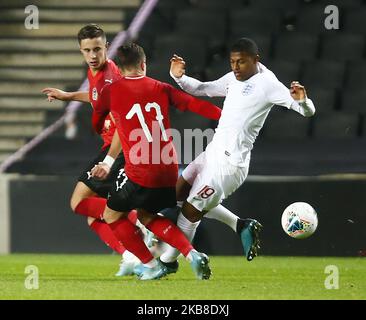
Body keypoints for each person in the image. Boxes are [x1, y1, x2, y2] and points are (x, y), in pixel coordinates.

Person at [158, 37, 316, 268]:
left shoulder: (268, 84)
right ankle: (240, 225)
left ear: (255, 60)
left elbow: (306, 112)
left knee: (191, 211)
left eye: (241, 62)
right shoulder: (234, 78)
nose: (235, 67)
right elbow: (202, 88)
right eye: (232, 62)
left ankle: (167, 263)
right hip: (212, 153)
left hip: (229, 166)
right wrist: (178, 77)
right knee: (175, 195)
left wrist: (303, 101)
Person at [91, 42, 223, 280]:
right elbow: (195, 104)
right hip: (169, 170)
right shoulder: (161, 87)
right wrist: (226, 117)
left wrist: (103, 125)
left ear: (119, 70)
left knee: (111, 215)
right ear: (144, 64)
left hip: (141, 171)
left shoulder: (111, 91)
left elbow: (97, 119)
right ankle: (191, 254)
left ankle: (151, 264)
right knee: (147, 215)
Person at [42, 24, 144, 276]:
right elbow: (97, 96)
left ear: (106, 47)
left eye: (97, 49)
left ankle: (140, 223)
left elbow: (124, 125)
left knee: (79, 201)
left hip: (119, 148)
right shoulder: (98, 74)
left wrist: (109, 161)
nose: (92, 55)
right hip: (117, 147)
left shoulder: (111, 77)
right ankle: (132, 254)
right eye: (87, 50)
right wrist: (68, 96)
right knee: (94, 216)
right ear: (81, 51)